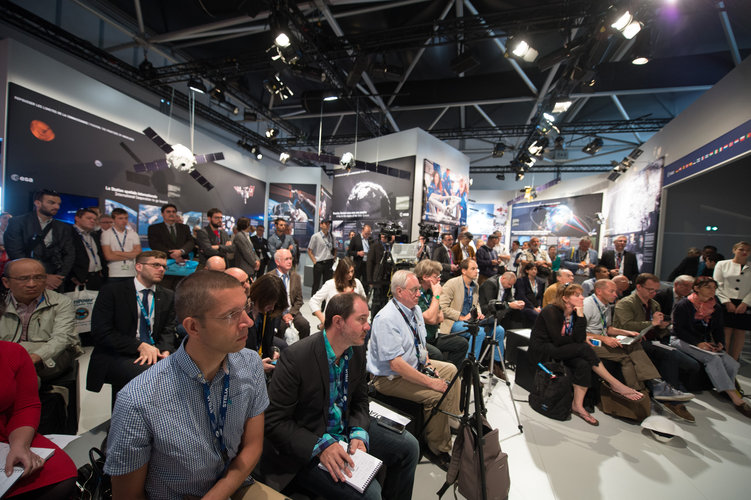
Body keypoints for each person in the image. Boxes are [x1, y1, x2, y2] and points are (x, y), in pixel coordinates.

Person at [104, 271, 284, 499]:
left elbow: (253, 445)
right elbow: (128, 495)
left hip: (235, 483)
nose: (248, 321)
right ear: (193, 327)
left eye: (246, 308)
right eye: (231, 315)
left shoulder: (249, 364)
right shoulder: (139, 401)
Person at [263, 292, 419, 499]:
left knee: (409, 447)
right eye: (361, 320)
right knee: (370, 495)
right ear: (338, 322)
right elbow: (274, 421)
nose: (368, 326)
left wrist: (359, 432)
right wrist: (319, 446)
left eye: (368, 319)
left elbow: (361, 400)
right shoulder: (296, 358)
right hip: (312, 440)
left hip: (344, 427)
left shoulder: (355, 350)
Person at [367, 270, 460, 469]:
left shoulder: (415, 309)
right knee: (436, 395)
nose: (419, 293)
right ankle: (438, 448)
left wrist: (427, 364)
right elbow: (396, 365)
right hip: (390, 378)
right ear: (399, 292)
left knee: (451, 370)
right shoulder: (386, 319)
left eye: (419, 289)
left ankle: (449, 417)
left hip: (414, 365)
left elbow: (421, 343)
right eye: (415, 290)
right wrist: (430, 381)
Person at [529, 283, 643, 426]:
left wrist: (581, 316)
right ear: (565, 298)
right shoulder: (550, 310)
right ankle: (616, 384)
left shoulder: (576, 312)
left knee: (583, 364)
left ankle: (578, 405)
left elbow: (578, 336)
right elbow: (558, 340)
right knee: (583, 347)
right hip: (544, 349)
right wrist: (580, 340)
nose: (582, 297)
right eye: (577, 295)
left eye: (581, 294)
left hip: (563, 347)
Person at [86, 251, 177, 399]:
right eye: (155, 265)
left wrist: (165, 350)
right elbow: (101, 332)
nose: (161, 270)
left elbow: (168, 329)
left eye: (163, 267)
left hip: (155, 351)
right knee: (150, 375)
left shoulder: (167, 295)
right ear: (139, 267)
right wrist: (139, 346)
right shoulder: (112, 291)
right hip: (119, 352)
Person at [583, 279, 693, 402]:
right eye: (612, 291)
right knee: (626, 357)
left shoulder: (606, 305)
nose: (616, 294)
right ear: (599, 291)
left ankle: (652, 387)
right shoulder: (587, 305)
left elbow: (607, 328)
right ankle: (643, 390)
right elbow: (578, 332)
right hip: (589, 342)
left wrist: (626, 333)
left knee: (634, 345)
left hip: (602, 338)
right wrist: (605, 339)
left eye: (615, 291)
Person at [613, 273, 700, 421]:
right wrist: (652, 323)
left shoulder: (654, 304)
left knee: (692, 365)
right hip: (633, 341)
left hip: (653, 340)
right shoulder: (625, 303)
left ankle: (669, 391)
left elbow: (657, 330)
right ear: (639, 287)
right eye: (650, 290)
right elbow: (623, 326)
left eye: (655, 291)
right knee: (669, 355)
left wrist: (662, 326)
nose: (653, 293)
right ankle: (669, 396)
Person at [1, 341, 77, 499]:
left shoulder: (12, 352)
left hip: (5, 433)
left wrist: (20, 445)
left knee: (60, 475)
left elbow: (24, 406)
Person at [670, 276, 751, 418]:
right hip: (682, 339)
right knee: (713, 360)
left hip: (703, 341)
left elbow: (718, 329)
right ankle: (736, 399)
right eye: (708, 287)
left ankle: (726, 389)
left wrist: (720, 343)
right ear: (697, 288)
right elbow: (679, 330)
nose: (712, 291)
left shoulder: (716, 306)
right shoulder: (684, 304)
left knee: (731, 363)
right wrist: (698, 344)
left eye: (714, 288)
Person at [1, 258, 81, 381]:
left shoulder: (61, 302)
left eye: (39, 278)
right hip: (8, 357)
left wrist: (32, 357)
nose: (32, 284)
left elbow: (62, 338)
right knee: (23, 374)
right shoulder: (2, 304)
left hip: (51, 357)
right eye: (24, 279)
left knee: (22, 371)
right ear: (6, 282)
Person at [439, 259, 506, 376]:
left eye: (477, 269)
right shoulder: (452, 283)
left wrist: (479, 313)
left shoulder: (476, 285)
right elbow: (442, 307)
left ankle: (496, 365)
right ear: (464, 271)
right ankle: (468, 368)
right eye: (473, 269)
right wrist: (461, 317)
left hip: (471, 321)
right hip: (454, 322)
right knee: (478, 332)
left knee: (499, 330)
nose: (477, 271)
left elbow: (477, 304)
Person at [4, 189, 74, 291]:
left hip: (56, 281)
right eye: (51, 203)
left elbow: (70, 253)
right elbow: (15, 253)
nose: (56, 207)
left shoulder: (63, 227)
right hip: (26, 279)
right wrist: (43, 277)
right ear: (37, 203)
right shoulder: (18, 222)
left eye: (58, 204)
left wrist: (59, 277)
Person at [415, 259, 469, 369]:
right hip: (420, 340)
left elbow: (440, 318)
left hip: (433, 336)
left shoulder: (430, 292)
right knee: (437, 354)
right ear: (425, 277)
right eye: (436, 277)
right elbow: (430, 319)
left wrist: (433, 314)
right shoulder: (417, 293)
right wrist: (437, 296)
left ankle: (452, 376)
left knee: (461, 343)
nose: (439, 279)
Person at [713, 241, 751, 361]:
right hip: (725, 301)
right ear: (734, 250)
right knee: (726, 331)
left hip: (744, 303)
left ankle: (734, 363)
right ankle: (723, 360)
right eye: (741, 249)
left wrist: (745, 303)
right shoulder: (722, 264)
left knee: (740, 332)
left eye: (747, 250)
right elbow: (717, 284)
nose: (744, 252)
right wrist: (726, 302)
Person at [245, 273, 288, 374]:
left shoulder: (267, 314)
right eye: (270, 303)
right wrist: (257, 367)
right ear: (261, 295)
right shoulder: (243, 313)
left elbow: (266, 342)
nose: (272, 308)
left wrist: (272, 352)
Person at [147, 203, 195, 289]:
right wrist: (172, 254)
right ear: (162, 214)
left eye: (173, 212)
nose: (171, 214)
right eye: (168, 212)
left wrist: (181, 251)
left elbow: (191, 242)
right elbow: (154, 244)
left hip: (183, 266)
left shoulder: (184, 228)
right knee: (164, 292)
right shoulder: (154, 228)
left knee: (182, 291)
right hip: (165, 266)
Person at [310, 258, 366, 330]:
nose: (350, 275)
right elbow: (313, 301)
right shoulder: (330, 284)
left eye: (352, 271)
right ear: (341, 272)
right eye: (347, 272)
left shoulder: (357, 283)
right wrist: (324, 320)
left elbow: (364, 301)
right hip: (333, 327)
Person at [267, 249, 310, 338]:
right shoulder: (270, 277)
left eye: (291, 259)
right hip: (276, 312)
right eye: (286, 259)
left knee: (305, 325)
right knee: (280, 328)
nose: (290, 261)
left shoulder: (295, 277)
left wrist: (290, 313)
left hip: (292, 311)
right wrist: (282, 314)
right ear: (277, 262)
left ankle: (303, 349)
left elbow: (299, 300)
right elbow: (269, 301)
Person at [65, 208, 107, 292]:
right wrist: (71, 276)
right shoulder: (68, 233)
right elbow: (64, 256)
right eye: (89, 218)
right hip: (77, 279)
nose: (92, 221)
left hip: (96, 277)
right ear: (77, 218)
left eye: (94, 219)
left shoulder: (94, 235)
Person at [101, 208, 141, 282]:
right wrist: (130, 255)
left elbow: (138, 254)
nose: (124, 221)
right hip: (114, 273)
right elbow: (108, 256)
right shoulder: (106, 234)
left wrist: (118, 253)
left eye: (126, 218)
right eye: (120, 218)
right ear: (113, 220)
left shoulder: (133, 234)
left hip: (131, 273)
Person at [367, 233, 393, 319]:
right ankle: (374, 318)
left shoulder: (391, 246)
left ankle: (384, 318)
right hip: (377, 278)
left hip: (388, 278)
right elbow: (369, 263)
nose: (383, 239)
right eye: (382, 237)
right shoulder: (375, 246)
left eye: (385, 237)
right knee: (376, 300)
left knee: (385, 300)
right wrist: (370, 280)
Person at [308, 219, 337, 295]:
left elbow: (335, 248)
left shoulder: (332, 236)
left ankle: (325, 303)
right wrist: (314, 261)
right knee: (316, 284)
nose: (327, 225)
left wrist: (334, 258)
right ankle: (313, 301)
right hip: (319, 263)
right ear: (321, 225)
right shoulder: (316, 236)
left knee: (327, 285)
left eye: (328, 224)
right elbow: (309, 250)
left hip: (329, 263)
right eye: (325, 223)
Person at [346, 225, 372, 295]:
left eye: (369, 233)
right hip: (358, 264)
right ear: (362, 231)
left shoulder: (370, 239)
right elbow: (350, 251)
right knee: (356, 281)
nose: (367, 235)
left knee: (366, 282)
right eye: (366, 233)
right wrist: (357, 253)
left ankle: (365, 297)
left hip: (367, 264)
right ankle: (354, 296)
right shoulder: (355, 239)